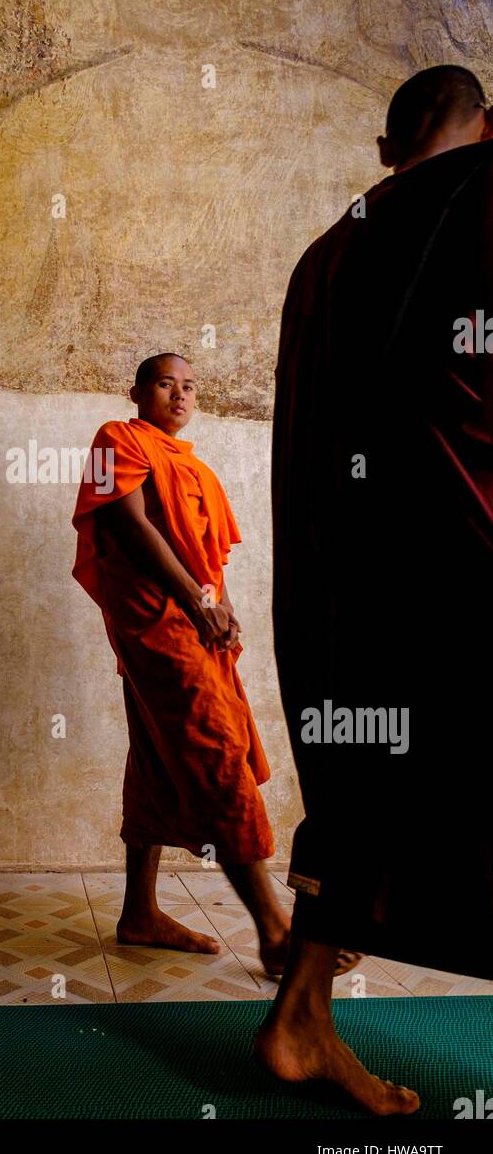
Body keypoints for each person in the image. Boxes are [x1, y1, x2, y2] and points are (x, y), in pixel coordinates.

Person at [259, 65, 493, 1114]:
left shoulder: (325, 250)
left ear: (385, 146)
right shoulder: (480, 200)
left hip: (338, 586)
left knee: (358, 799)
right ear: (482, 126)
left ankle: (300, 1014)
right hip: (451, 566)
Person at [72, 353, 360, 973]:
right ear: (137, 392)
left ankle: (139, 913)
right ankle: (276, 931)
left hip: (193, 622)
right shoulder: (116, 439)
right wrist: (196, 605)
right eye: (164, 383)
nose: (179, 394)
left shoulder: (194, 466)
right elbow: (130, 526)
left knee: (156, 755)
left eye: (189, 386)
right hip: (155, 621)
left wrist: (221, 614)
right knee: (214, 756)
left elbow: (210, 559)